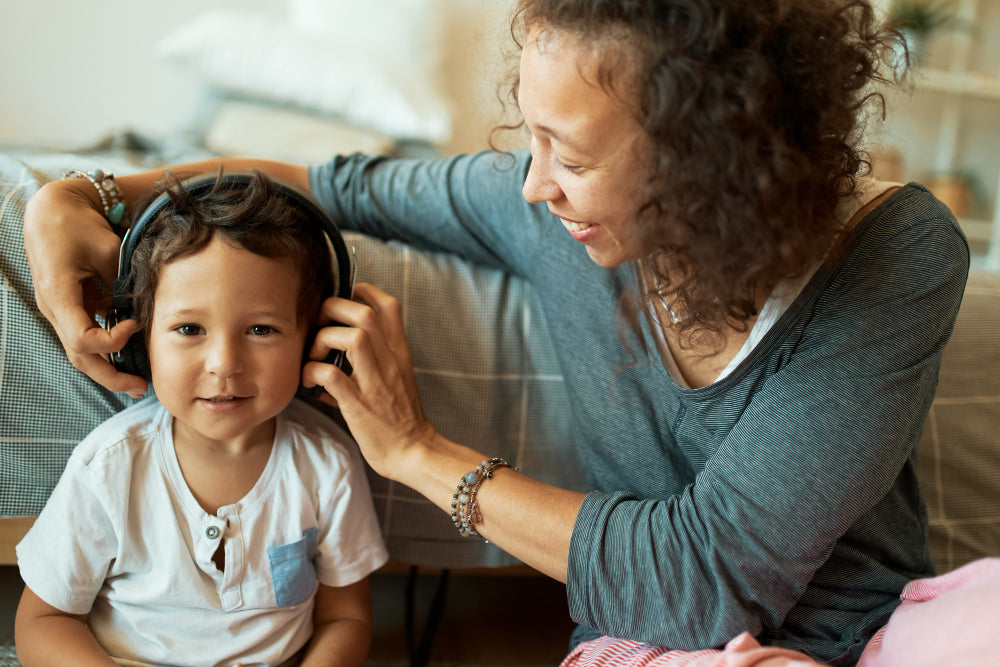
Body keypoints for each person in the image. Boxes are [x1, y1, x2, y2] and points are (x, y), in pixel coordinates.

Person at [21, 0, 981, 665]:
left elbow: (707, 576)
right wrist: (91, 194)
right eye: (530, 139)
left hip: (871, 641)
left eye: (568, 153)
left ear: (708, 157)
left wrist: (416, 453)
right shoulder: (545, 215)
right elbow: (333, 184)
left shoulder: (894, 252)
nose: (531, 186)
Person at [16, 171, 389, 667]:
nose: (224, 363)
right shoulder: (108, 468)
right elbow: (44, 622)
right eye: (189, 328)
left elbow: (346, 618)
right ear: (138, 342)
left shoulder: (328, 465)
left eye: (261, 328)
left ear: (316, 339)